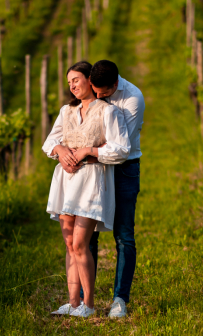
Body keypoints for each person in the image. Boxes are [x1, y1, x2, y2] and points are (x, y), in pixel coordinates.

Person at [42, 61, 131, 318]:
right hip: (66, 180)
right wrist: (59, 150)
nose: (71, 86)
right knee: (69, 242)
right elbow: (50, 141)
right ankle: (72, 302)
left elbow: (121, 149)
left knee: (81, 242)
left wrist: (91, 151)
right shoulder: (66, 112)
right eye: (69, 82)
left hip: (91, 180)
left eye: (76, 80)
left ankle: (89, 305)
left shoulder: (107, 111)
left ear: (89, 80)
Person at [87, 60, 145, 318]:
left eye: (104, 93)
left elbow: (119, 148)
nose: (98, 97)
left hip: (124, 169)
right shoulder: (94, 89)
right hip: (93, 167)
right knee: (88, 232)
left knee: (123, 234)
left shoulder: (133, 98)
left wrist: (87, 149)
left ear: (115, 83)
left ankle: (120, 299)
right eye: (95, 91)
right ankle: (84, 298)